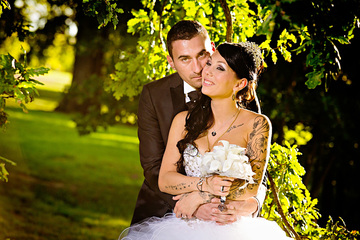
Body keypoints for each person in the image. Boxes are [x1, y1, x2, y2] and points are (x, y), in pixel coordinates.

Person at [121, 42, 292, 239]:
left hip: (233, 228)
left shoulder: (257, 124)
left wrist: (200, 197)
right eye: (209, 63)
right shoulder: (183, 121)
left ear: (240, 84)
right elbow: (165, 180)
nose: (207, 72)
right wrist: (205, 185)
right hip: (183, 228)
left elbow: (253, 185)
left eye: (219, 68)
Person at [131, 20, 266, 226]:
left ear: (211, 49)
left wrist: (253, 203)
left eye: (202, 55)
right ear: (171, 61)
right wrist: (195, 202)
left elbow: (255, 168)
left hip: (227, 214)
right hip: (165, 210)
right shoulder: (154, 96)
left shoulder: (239, 91)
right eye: (184, 59)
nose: (198, 69)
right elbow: (153, 167)